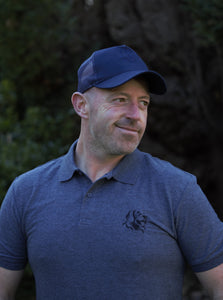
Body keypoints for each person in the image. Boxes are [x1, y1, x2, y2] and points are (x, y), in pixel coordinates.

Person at [0, 45, 223, 300]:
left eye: (144, 103)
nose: (135, 115)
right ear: (81, 105)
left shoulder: (177, 189)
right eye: (120, 99)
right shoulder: (26, 191)